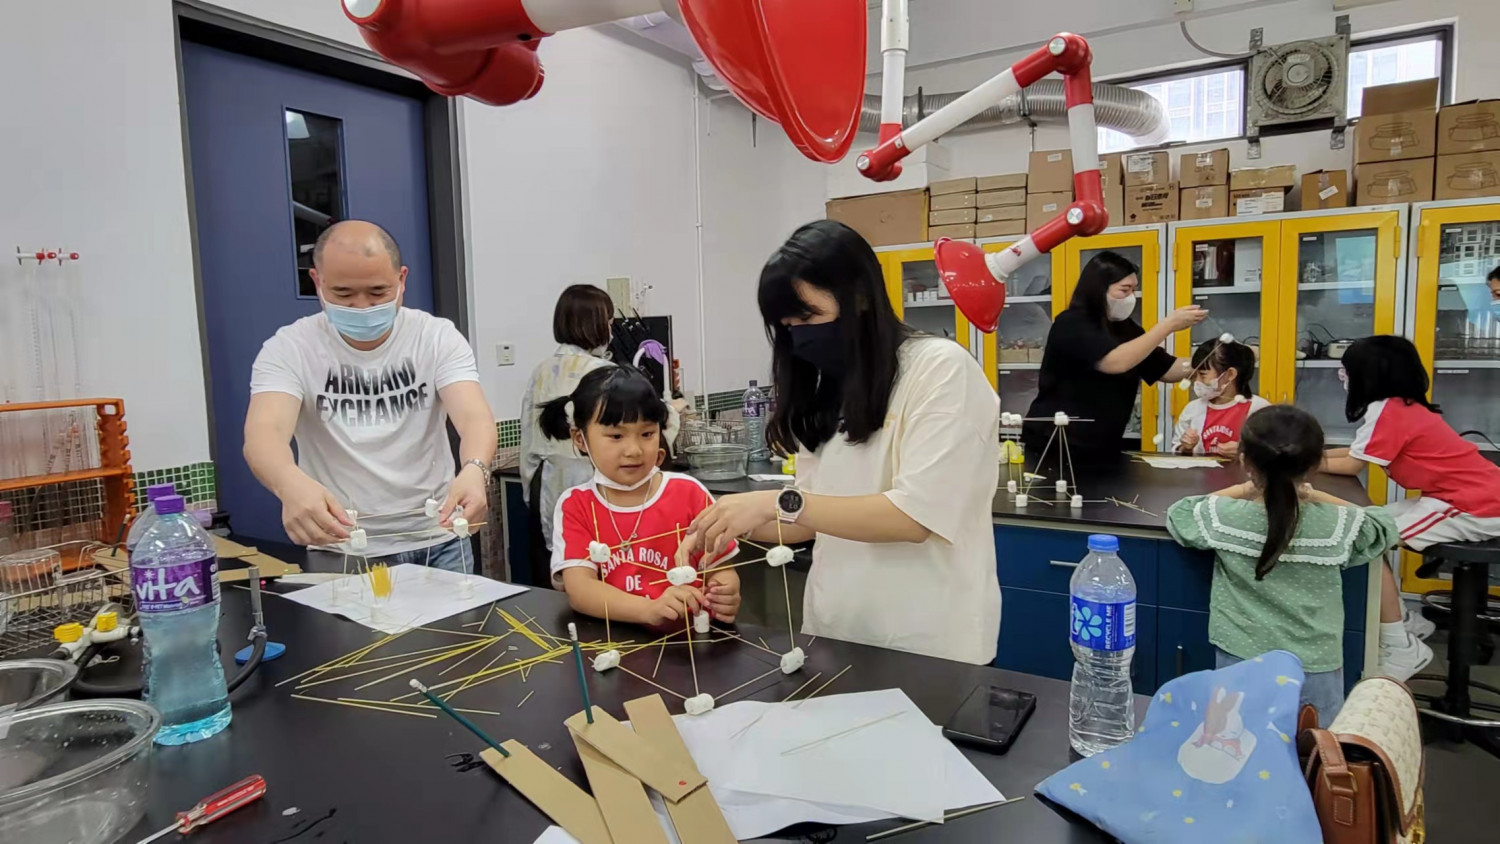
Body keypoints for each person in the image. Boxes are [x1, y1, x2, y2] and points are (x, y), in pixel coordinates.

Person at [679, 220, 1001, 664]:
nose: (800, 336)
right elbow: (808, 519)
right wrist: (723, 525)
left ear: (860, 297)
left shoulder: (940, 370)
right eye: (787, 325)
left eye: (808, 317)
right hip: (834, 632)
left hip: (928, 642)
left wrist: (773, 503)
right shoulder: (827, 386)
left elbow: (914, 517)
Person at [245, 221, 496, 573]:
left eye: (378, 292)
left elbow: (474, 418)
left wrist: (475, 469)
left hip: (439, 538)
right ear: (317, 281)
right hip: (341, 545)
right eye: (343, 293)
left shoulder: (436, 337)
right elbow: (265, 432)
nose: (362, 306)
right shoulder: (290, 348)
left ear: (402, 279)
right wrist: (288, 483)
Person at [1166, 406, 1398, 725]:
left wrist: (1244, 490)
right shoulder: (1336, 525)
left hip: (1239, 661)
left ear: (1245, 462)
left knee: (1237, 744)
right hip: (1315, 666)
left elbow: (1181, 513)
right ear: (1314, 464)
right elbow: (1383, 526)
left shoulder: (1225, 518)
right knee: (1312, 748)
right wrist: (1316, 496)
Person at [1322, 334, 1500, 679]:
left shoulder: (1388, 411)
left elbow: (1351, 465)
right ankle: (1403, 620)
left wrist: (1293, 461)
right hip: (1455, 496)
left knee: (1365, 535)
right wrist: (1305, 455)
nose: (1343, 377)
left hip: (1474, 505)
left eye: (1346, 370)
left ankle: (1401, 647)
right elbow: (1354, 453)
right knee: (1367, 522)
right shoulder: (1400, 406)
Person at [544, 366, 741, 627]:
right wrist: (648, 609)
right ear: (580, 439)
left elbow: (720, 568)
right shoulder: (576, 505)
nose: (634, 450)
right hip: (613, 641)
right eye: (616, 436)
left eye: (647, 434)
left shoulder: (689, 493)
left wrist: (725, 590)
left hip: (691, 641)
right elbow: (580, 590)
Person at [1024, 251, 1207, 462]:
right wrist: (1168, 325)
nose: (1131, 297)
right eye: (1124, 290)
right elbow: (1114, 362)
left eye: (1134, 290)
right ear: (1099, 289)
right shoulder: (1072, 323)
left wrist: (1210, 361)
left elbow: (1166, 369)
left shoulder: (1127, 328)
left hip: (1103, 440)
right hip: (1058, 441)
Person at [519, 285, 616, 574]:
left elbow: (528, 439)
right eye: (609, 322)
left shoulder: (541, 371)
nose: (611, 330)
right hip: (592, 487)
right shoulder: (604, 373)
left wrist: (530, 494)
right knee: (595, 571)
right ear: (597, 324)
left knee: (557, 573)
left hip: (545, 488)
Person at [1172, 339, 1270, 458]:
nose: (1196, 381)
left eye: (1202, 375)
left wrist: (1245, 451)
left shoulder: (1260, 410)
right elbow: (1177, 452)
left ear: (1230, 374)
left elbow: (1274, 456)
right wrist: (1186, 448)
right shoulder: (1193, 409)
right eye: (1195, 375)